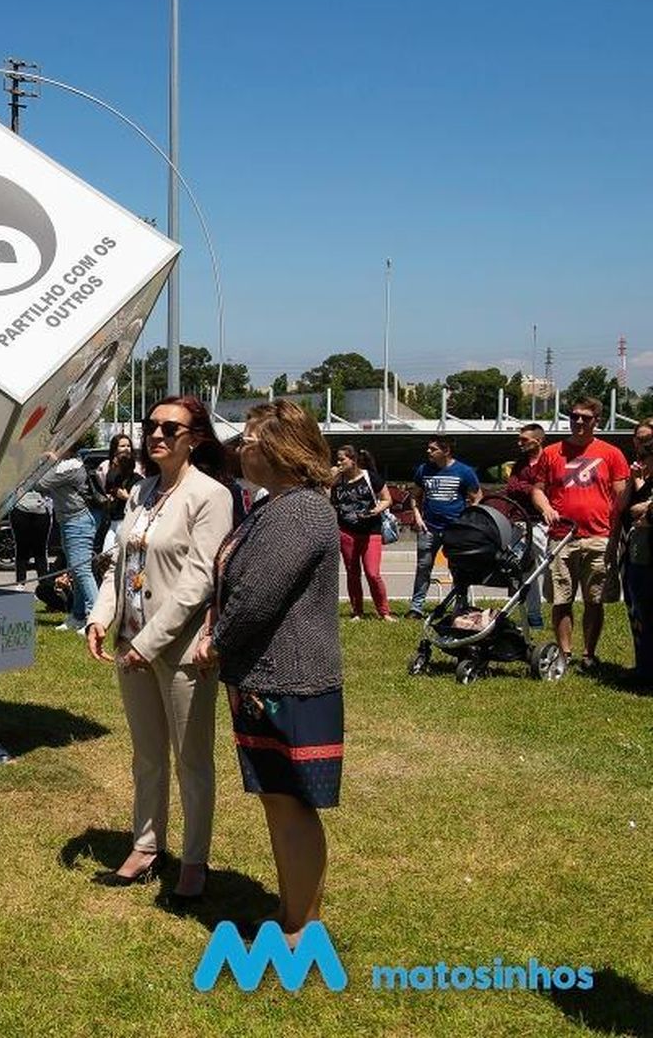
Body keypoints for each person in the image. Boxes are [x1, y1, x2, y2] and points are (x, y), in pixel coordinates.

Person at [196, 400, 343, 946]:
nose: (241, 448)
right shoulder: (273, 505)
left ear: (282, 448)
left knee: (291, 803)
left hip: (290, 679)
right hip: (265, 677)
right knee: (278, 801)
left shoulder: (299, 510)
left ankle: (303, 925)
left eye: (252, 439)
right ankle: (290, 911)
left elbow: (257, 597)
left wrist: (216, 642)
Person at [85, 396, 232, 899]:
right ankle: (146, 845)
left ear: (196, 437)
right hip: (131, 644)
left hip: (182, 649)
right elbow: (122, 562)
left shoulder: (210, 495)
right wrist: (101, 616)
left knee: (192, 759)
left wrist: (149, 643)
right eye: (152, 425)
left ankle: (195, 859)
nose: (158, 434)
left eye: (172, 427)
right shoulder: (142, 492)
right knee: (147, 756)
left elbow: (198, 582)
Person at [530, 398, 631, 673]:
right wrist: (546, 507)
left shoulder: (611, 453)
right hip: (561, 536)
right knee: (561, 599)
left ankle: (589, 653)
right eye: (574, 416)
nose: (578, 422)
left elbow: (622, 498)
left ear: (596, 421)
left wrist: (616, 538)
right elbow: (537, 489)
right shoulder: (552, 452)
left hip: (599, 536)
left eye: (585, 418)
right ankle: (565, 653)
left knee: (594, 600)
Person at [408, 436, 481, 618]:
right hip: (429, 528)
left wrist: (467, 520)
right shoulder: (423, 470)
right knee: (423, 566)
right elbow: (415, 495)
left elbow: (476, 497)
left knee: (457, 568)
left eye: (433, 449)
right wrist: (418, 516)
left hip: (455, 529)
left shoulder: (464, 471)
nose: (428, 452)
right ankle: (416, 607)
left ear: (446, 451)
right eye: (428, 448)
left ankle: (460, 605)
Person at [38, 442, 101, 632]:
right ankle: (78, 615)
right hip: (70, 521)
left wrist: (50, 461)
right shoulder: (69, 464)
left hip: (77, 522)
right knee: (76, 571)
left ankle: (95, 618)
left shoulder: (69, 466)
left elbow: (41, 483)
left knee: (82, 571)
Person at [331, 445, 393, 622]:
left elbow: (386, 499)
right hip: (346, 531)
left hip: (371, 531)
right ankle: (357, 611)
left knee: (373, 573)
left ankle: (384, 611)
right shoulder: (338, 480)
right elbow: (323, 491)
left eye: (342, 459)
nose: (338, 462)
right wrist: (332, 475)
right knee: (352, 573)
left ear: (353, 460)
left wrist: (376, 510)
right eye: (337, 459)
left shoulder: (369, 477)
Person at [503, 423, 550, 629]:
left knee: (543, 569)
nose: (519, 443)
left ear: (538, 440)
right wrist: (533, 490)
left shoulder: (550, 461)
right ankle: (532, 616)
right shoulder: (520, 464)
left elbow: (552, 489)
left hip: (543, 524)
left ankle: (545, 613)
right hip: (520, 523)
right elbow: (511, 488)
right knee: (521, 570)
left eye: (524, 439)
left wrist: (530, 490)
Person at [619, 419, 653, 680]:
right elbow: (624, 509)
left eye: (648, 441)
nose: (643, 446)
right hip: (635, 550)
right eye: (640, 440)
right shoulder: (638, 473)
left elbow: (642, 510)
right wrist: (635, 482)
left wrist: (645, 508)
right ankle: (643, 666)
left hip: (646, 551)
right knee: (637, 610)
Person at [97, 433, 140, 553]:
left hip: (128, 520)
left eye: (128, 445)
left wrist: (126, 497)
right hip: (112, 517)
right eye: (122, 446)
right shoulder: (105, 467)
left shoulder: (138, 472)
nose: (126, 448)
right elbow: (104, 488)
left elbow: (142, 500)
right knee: (107, 553)